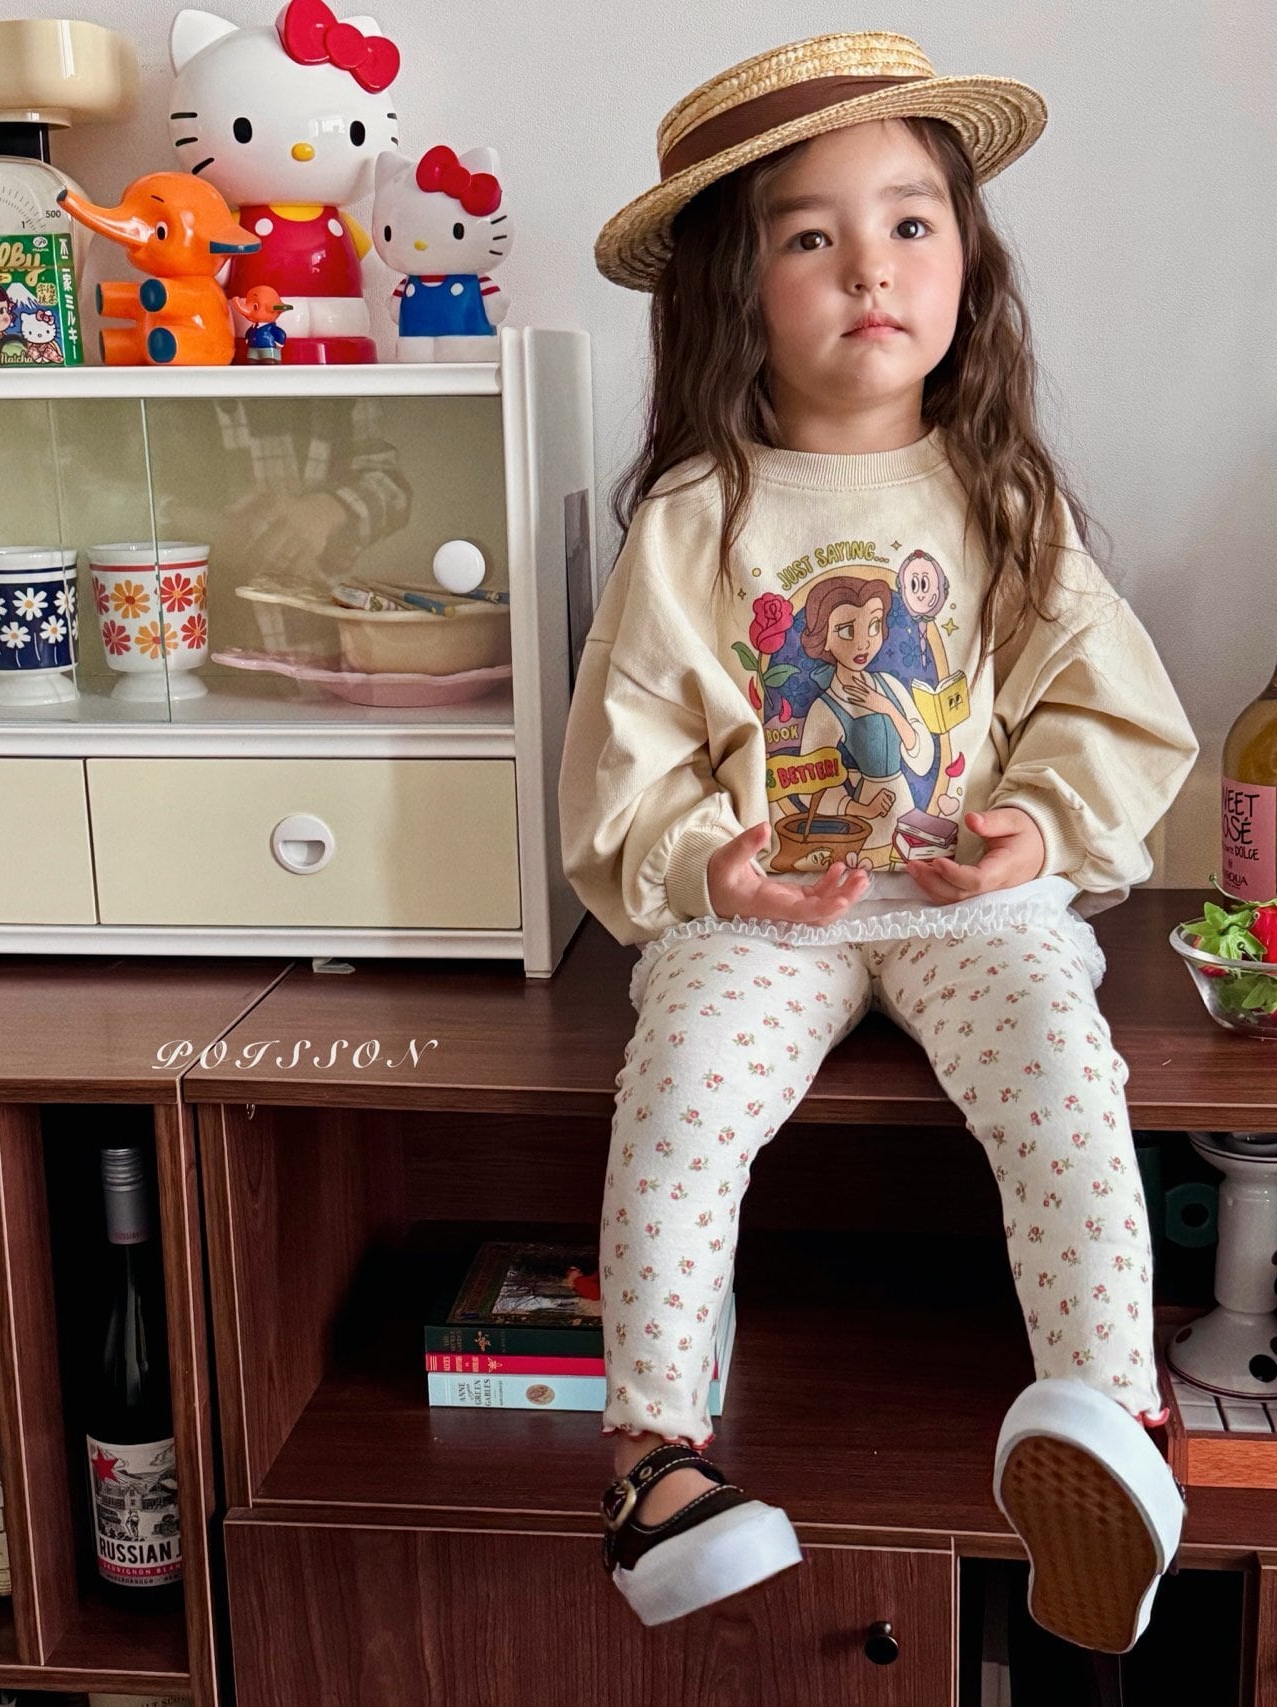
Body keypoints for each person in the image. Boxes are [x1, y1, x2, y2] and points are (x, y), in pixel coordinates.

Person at [558, 31, 1200, 1650]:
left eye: (912, 222)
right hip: (764, 913)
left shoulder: (999, 496)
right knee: (681, 1087)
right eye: (811, 235)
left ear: (969, 261)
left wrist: (1032, 831)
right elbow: (626, 759)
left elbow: (1109, 711)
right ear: (736, 290)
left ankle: (1112, 1422)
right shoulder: (693, 518)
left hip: (967, 905)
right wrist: (709, 866)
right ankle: (653, 1463)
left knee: (1064, 1069)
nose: (871, 268)